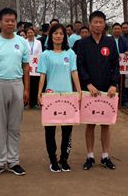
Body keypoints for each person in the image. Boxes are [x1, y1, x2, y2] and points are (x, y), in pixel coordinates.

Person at [0, 7, 30, 177]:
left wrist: (26, 89)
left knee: (14, 126)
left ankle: (14, 161)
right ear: (0, 22)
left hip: (17, 84)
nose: (10, 23)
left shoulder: (21, 42)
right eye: (7, 20)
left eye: (12, 20)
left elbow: (26, 67)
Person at [74, 11, 120, 170]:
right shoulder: (83, 44)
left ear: (104, 24)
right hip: (90, 90)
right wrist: (87, 83)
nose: (98, 25)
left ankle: (105, 156)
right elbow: (80, 65)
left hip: (108, 90)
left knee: (106, 124)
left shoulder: (110, 42)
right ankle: (90, 156)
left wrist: (114, 84)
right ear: (90, 24)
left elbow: (116, 64)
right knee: (90, 123)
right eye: (95, 22)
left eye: (101, 22)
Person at [38, 23, 81, 173]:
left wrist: (79, 91)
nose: (58, 36)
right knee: (50, 131)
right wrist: (39, 94)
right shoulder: (45, 55)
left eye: (61, 33)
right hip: (51, 97)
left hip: (68, 97)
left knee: (67, 131)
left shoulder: (70, 54)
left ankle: (64, 159)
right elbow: (42, 75)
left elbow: (74, 72)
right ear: (50, 36)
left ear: (65, 36)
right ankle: (53, 160)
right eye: (55, 33)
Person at [25, 26, 42, 109]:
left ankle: (34, 102)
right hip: (27, 64)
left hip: (35, 66)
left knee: (35, 83)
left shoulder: (38, 42)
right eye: (28, 33)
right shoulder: (24, 42)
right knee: (27, 83)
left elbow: (40, 53)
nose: (30, 34)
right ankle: (26, 102)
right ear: (26, 34)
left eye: (31, 32)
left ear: (34, 33)